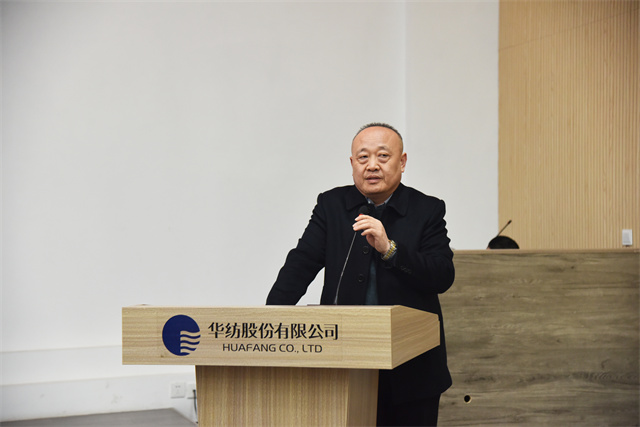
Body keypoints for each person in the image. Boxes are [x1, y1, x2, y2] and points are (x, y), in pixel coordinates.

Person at [266, 123, 455, 426]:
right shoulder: (332, 205)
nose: (372, 165)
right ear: (352, 163)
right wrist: (269, 321)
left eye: (383, 156)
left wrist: (390, 248)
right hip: (345, 360)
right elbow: (300, 265)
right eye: (363, 157)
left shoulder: (427, 209)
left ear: (402, 162)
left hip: (410, 367)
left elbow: (442, 275)